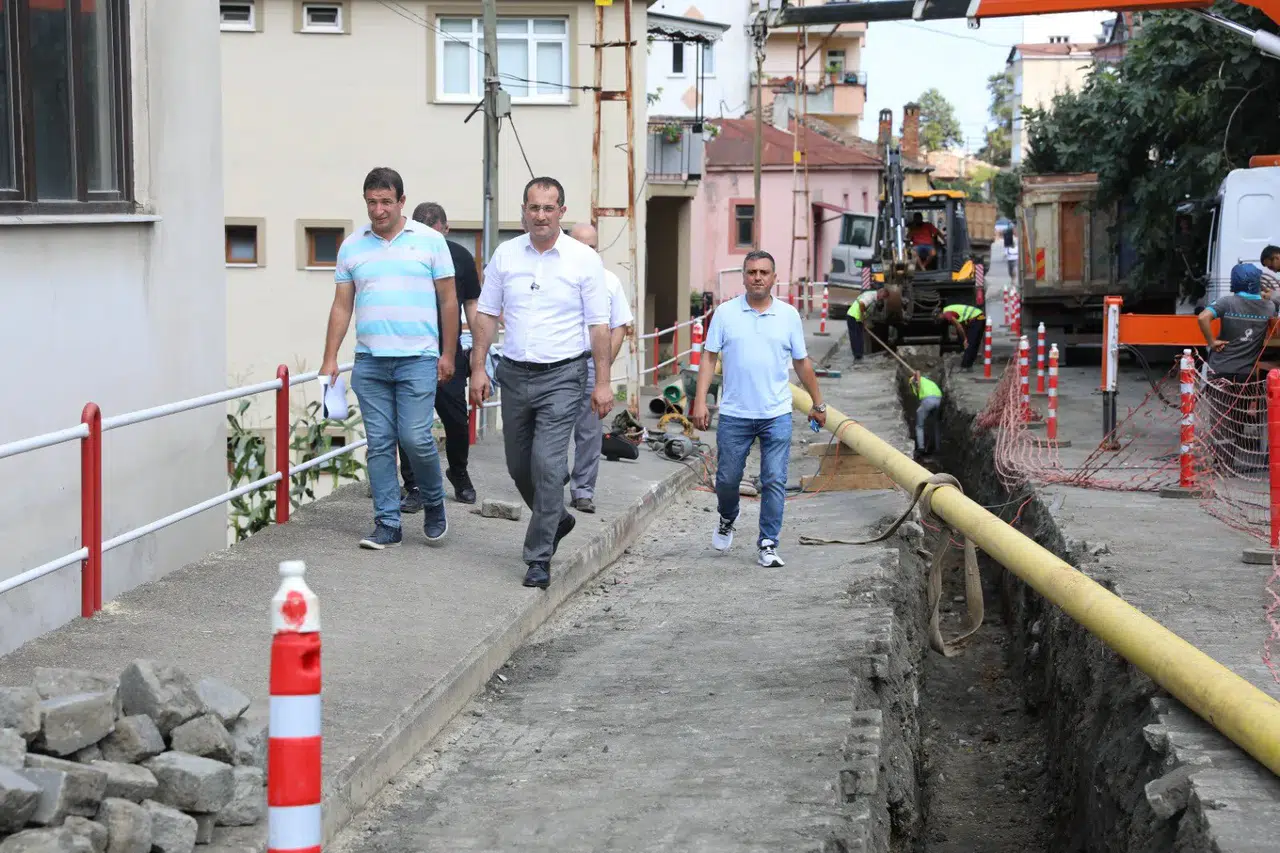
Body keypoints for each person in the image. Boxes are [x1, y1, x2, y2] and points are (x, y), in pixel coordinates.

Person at [468, 177, 614, 590]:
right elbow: (487, 315)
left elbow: (599, 325)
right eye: (534, 207)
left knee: (548, 466)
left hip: (564, 375)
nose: (541, 215)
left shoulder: (583, 259)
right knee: (519, 467)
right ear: (524, 211)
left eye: (549, 208)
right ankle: (556, 518)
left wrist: (601, 382)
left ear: (561, 212)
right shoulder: (506, 255)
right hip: (514, 373)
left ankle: (539, 556)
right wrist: (478, 368)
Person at [320, 167, 459, 550]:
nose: (378, 210)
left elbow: (449, 301)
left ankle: (433, 502)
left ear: (402, 201)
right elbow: (341, 306)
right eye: (371, 202)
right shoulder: (352, 246)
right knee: (380, 443)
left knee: (415, 438)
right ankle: (387, 522)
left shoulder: (430, 241)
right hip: (370, 361)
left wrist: (449, 353)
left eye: (385, 202)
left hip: (418, 358)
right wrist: (329, 358)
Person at [690, 250, 828, 569]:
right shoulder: (725, 314)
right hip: (735, 414)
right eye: (752, 272)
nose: (757, 277)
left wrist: (817, 403)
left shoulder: (789, 316)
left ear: (773, 278)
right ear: (744, 277)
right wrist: (700, 401)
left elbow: (802, 362)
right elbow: (709, 358)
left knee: (774, 479)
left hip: (776, 413)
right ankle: (727, 517)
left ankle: (767, 542)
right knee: (726, 479)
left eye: (764, 272)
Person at [397, 202, 482, 511]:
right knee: (408, 424)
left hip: (449, 353)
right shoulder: (401, 256)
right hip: (408, 353)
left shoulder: (460, 256)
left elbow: (472, 305)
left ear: (446, 230)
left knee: (457, 421)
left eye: (436, 234)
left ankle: (458, 471)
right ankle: (414, 485)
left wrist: (481, 355)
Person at [566, 222, 634, 514]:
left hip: (591, 365)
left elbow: (620, 326)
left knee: (589, 432)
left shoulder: (610, 281)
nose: (587, 251)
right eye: (581, 245)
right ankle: (547, 483)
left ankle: (582, 491)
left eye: (592, 246)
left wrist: (603, 365)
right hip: (556, 363)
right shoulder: (554, 277)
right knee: (547, 429)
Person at [1197, 262, 1277, 472]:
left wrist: (1212, 341)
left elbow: (1203, 317)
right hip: (1247, 375)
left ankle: (1222, 465)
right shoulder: (1269, 307)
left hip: (1220, 371)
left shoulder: (1227, 302)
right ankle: (1230, 462)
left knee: (1220, 418)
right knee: (1238, 417)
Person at [937, 303, 986, 371]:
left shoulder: (947, 314)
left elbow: (959, 326)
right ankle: (968, 365)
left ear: (940, 313)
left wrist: (965, 339)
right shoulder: (948, 311)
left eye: (938, 317)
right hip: (979, 317)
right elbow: (961, 325)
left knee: (970, 343)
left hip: (977, 318)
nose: (939, 319)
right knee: (973, 343)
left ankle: (965, 366)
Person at [908, 371, 943, 460]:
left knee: (919, 426)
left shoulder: (914, 381)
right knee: (936, 425)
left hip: (928, 401)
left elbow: (917, 374)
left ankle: (921, 448)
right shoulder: (929, 382)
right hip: (938, 400)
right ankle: (937, 449)